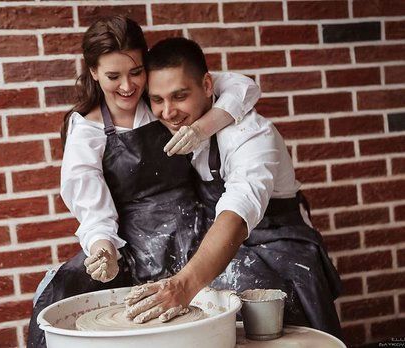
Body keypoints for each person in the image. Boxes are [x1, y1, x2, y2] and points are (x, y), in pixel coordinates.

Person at [27, 16, 260, 347]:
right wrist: (102, 249)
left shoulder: (161, 101)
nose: (127, 86)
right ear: (93, 72)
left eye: (136, 72)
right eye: (113, 76)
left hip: (197, 227)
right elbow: (94, 213)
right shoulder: (87, 130)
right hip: (133, 244)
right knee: (63, 299)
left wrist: (202, 127)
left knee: (239, 304)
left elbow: (243, 88)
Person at [124, 37, 343, 338]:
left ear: (207, 86)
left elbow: (237, 213)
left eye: (180, 96)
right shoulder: (181, 117)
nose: (168, 112)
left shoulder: (251, 135)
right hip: (221, 241)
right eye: (157, 100)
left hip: (276, 243)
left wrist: (184, 285)